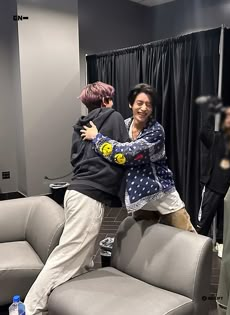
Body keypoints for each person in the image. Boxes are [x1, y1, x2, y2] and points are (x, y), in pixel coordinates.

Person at [24, 81, 129, 315]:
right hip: (89, 197)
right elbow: (124, 153)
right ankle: (28, 309)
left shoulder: (79, 127)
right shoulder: (114, 117)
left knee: (85, 256)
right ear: (106, 100)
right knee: (69, 253)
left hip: (74, 193)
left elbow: (76, 159)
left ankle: (72, 303)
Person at [81, 83, 196, 232]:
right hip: (138, 195)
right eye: (139, 103)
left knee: (188, 236)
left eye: (148, 105)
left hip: (161, 193)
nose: (144, 108)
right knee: (145, 242)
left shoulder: (156, 131)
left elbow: (125, 155)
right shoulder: (125, 124)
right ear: (130, 104)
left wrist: (97, 138)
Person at [196, 111, 230, 253]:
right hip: (216, 185)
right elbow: (203, 132)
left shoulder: (220, 138)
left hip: (223, 187)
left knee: (220, 222)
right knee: (206, 220)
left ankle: (217, 244)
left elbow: (203, 131)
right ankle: (202, 246)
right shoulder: (218, 138)